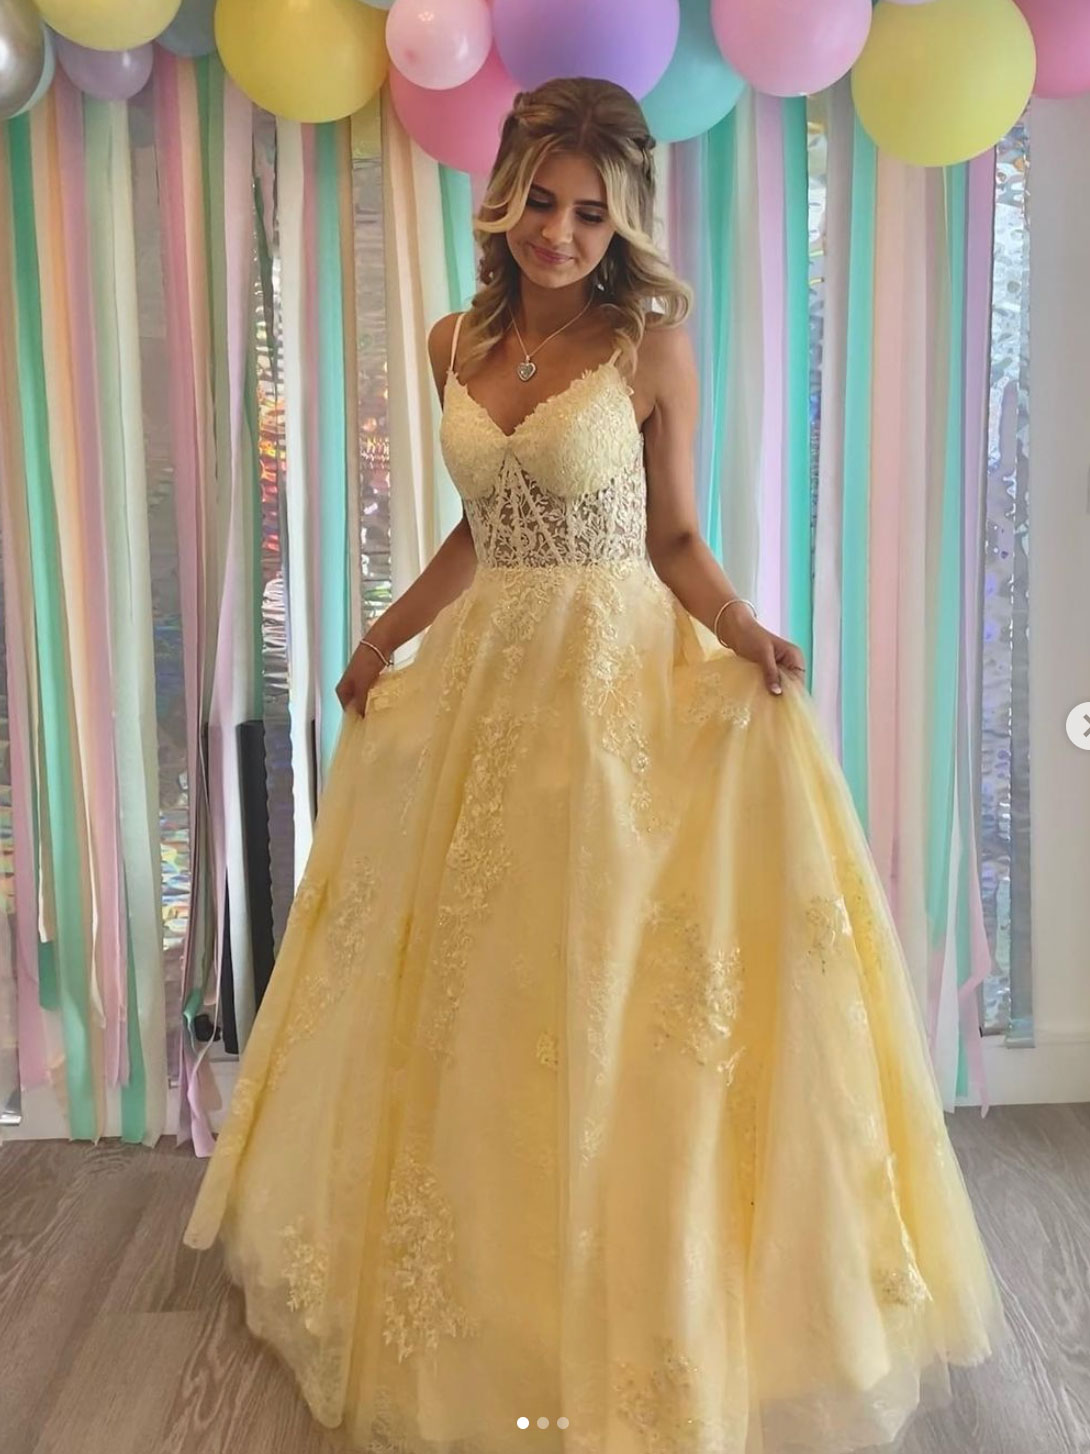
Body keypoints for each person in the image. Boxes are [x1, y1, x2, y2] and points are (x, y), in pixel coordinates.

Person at [183, 76, 1011, 1454]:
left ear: (621, 220)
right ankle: (490, 1304)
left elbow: (672, 540)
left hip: (614, 685)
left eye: (588, 212)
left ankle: (633, 1300)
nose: (558, 233)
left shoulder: (647, 348)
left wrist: (747, 634)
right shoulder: (455, 340)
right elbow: (481, 526)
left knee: (618, 980)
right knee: (479, 982)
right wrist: (378, 639)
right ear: (503, 195)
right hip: (483, 686)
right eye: (540, 203)